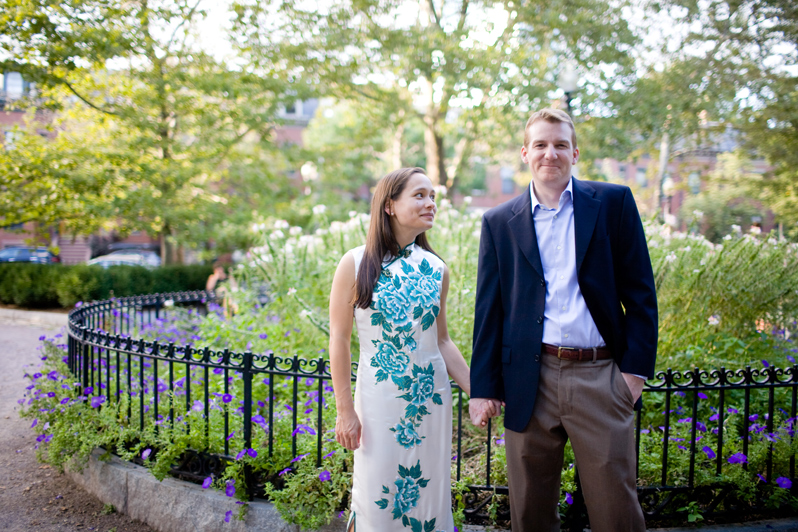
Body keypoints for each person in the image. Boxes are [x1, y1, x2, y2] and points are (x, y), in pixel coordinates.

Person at [469, 108, 658, 532]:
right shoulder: (499, 222)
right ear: (524, 153)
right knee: (530, 513)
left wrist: (633, 376)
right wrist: (484, 388)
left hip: (600, 375)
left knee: (617, 513)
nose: (549, 154)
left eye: (558, 145)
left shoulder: (613, 204)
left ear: (574, 152)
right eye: (540, 145)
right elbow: (490, 310)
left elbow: (641, 294)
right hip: (528, 381)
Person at [329, 167, 471, 532]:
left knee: (429, 495)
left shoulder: (437, 269)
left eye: (433, 197)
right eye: (420, 195)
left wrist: (481, 391)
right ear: (390, 205)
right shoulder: (356, 263)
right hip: (379, 403)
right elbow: (339, 339)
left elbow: (441, 341)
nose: (430, 203)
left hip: (431, 402)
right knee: (378, 496)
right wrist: (345, 411)